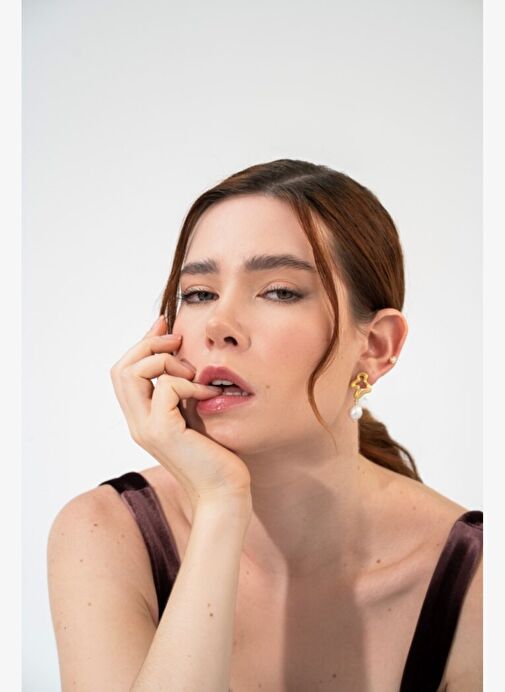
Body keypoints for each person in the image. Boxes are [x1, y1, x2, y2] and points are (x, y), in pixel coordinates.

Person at [47, 159, 482, 691]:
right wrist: (220, 503)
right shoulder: (106, 532)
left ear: (375, 346)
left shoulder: (477, 579)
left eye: (279, 291)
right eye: (198, 293)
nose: (218, 325)